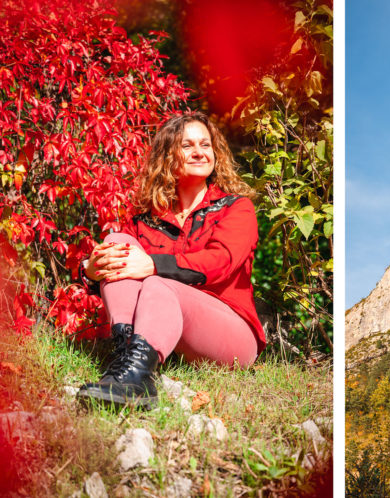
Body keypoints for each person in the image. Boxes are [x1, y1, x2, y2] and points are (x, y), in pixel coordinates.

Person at [77, 112, 265, 409]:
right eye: (187, 145)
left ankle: (137, 379)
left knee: (158, 283)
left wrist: (153, 265)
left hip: (229, 333)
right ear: (168, 155)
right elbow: (116, 269)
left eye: (206, 144)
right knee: (117, 242)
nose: (199, 152)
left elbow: (220, 261)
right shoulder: (146, 219)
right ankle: (129, 360)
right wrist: (89, 270)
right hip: (167, 330)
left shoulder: (236, 208)